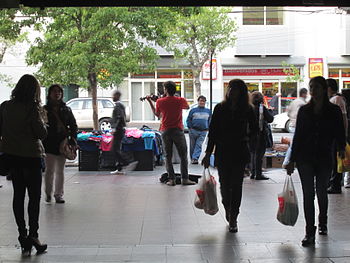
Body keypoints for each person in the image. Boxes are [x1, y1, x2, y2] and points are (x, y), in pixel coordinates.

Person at [286, 76, 346, 247]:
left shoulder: (333, 110)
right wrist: (291, 159)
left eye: (316, 87)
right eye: (311, 87)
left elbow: (339, 131)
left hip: (324, 156)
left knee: (321, 192)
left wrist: (341, 147)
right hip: (305, 157)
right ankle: (309, 231)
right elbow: (298, 136)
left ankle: (323, 222)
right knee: (307, 194)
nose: (313, 90)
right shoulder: (305, 110)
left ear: (324, 89)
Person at [202, 79, 258, 233]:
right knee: (225, 184)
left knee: (237, 184)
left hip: (240, 151)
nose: (231, 91)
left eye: (235, 88)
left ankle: (234, 216)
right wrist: (208, 154)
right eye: (230, 88)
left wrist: (249, 143)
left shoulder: (248, 109)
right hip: (223, 151)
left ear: (241, 92)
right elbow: (213, 132)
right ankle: (227, 206)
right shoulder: (220, 108)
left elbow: (255, 131)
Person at [0, 74, 48, 255]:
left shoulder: (5, 106)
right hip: (31, 157)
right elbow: (41, 134)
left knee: (18, 196)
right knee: (34, 197)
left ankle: (22, 236)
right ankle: (34, 235)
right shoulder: (32, 109)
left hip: (13, 157)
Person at [146, 81, 195, 186]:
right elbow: (187, 107)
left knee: (167, 156)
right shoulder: (180, 100)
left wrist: (150, 102)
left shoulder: (160, 101)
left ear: (166, 90)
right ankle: (185, 179)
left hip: (165, 130)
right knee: (183, 155)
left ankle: (171, 180)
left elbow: (157, 114)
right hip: (178, 130)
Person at [43, 84, 78, 204]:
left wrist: (73, 139)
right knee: (49, 170)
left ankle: (58, 194)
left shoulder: (66, 109)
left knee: (60, 170)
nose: (57, 94)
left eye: (59, 92)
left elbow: (73, 125)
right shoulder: (44, 110)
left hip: (62, 143)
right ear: (49, 94)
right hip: (49, 143)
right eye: (54, 91)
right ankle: (48, 193)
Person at [327, 78, 348, 194]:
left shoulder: (337, 100)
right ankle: (334, 183)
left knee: (336, 161)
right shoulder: (337, 99)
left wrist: (343, 136)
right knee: (335, 160)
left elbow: (343, 119)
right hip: (336, 135)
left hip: (335, 136)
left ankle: (335, 184)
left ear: (329, 88)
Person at [110, 90, 138, 175]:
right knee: (116, 149)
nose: (112, 97)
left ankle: (127, 162)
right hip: (120, 129)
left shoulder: (118, 106)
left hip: (118, 130)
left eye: (114, 95)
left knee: (115, 149)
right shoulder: (119, 105)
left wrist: (114, 128)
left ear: (117, 96)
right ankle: (119, 168)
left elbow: (119, 117)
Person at [250, 91, 274, 180]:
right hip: (260, 134)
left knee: (253, 153)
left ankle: (253, 173)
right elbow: (270, 119)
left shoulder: (250, 108)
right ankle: (258, 174)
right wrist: (270, 111)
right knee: (259, 155)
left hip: (251, 135)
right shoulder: (262, 108)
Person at [282, 88, 308, 167]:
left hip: (292, 125)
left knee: (294, 144)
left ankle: (290, 162)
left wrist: (292, 119)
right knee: (294, 144)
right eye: (306, 94)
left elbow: (288, 113)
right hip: (299, 126)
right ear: (303, 94)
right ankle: (287, 162)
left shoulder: (294, 102)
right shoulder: (303, 103)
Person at [186, 95, 211, 164]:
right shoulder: (193, 110)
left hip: (203, 131)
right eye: (200, 101)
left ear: (205, 102)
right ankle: (193, 158)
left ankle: (195, 158)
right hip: (193, 130)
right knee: (192, 145)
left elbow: (210, 120)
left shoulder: (208, 111)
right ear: (198, 102)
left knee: (199, 145)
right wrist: (190, 128)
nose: (202, 102)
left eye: (203, 101)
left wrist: (208, 128)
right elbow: (189, 119)